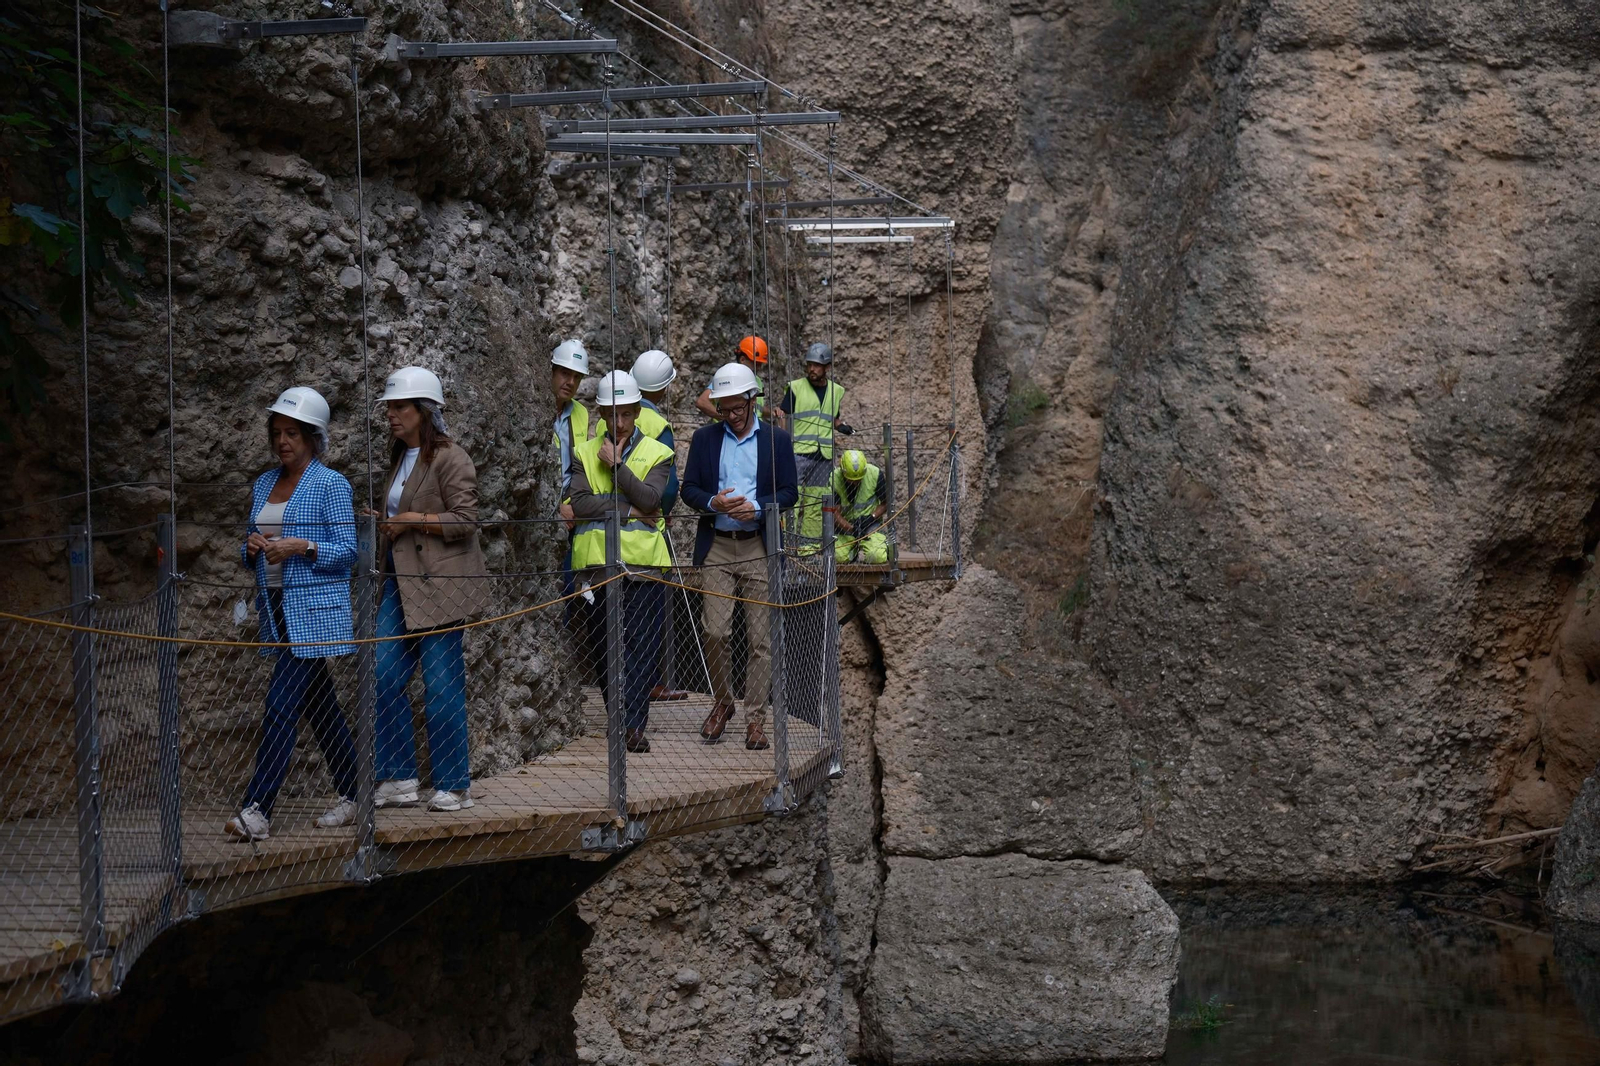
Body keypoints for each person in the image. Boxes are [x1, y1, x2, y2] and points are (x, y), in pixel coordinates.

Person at [227, 386, 360, 842]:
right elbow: (251, 547)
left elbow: (349, 552)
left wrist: (301, 546)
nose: (283, 441)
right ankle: (355, 793)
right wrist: (251, 549)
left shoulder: (331, 484)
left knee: (281, 705)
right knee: (320, 706)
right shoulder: (263, 484)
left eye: (294, 433)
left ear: (313, 437)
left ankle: (258, 809)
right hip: (276, 607)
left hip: (315, 611)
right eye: (278, 433)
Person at [368, 366, 490, 812]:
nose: (391, 414)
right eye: (389, 407)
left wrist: (409, 520)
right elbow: (398, 514)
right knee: (383, 675)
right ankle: (399, 778)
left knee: (441, 685)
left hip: (441, 587)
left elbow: (466, 520)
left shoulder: (450, 457)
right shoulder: (398, 458)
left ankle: (454, 784)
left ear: (423, 410)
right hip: (400, 585)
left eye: (399, 406)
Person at [681, 362, 798, 749]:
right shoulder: (705, 439)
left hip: (757, 544)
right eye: (723, 409)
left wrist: (760, 509)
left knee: (761, 639)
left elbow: (789, 494)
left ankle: (755, 719)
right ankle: (723, 702)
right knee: (715, 631)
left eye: (738, 408)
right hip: (717, 544)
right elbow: (690, 490)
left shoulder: (776, 441)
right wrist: (713, 502)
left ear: (752, 401)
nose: (730, 416)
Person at [568, 370, 676, 753]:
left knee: (641, 647)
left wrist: (617, 467)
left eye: (626, 414)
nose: (618, 422)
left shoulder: (658, 453)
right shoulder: (584, 453)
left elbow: (653, 499)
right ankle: (620, 719)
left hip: (644, 568)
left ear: (636, 413)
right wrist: (627, 510)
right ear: (600, 413)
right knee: (604, 645)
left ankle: (633, 726)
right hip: (599, 567)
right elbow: (579, 505)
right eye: (611, 414)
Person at [606, 348, 688, 701]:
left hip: (605, 538)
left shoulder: (605, 419)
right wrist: (660, 512)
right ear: (665, 388)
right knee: (648, 624)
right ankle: (646, 686)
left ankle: (620, 694)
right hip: (645, 537)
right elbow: (666, 490)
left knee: (613, 627)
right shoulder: (659, 426)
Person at [776, 341, 845, 553]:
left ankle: (808, 548)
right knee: (793, 501)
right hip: (798, 453)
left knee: (816, 503)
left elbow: (832, 418)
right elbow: (782, 415)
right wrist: (784, 443)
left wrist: (842, 426)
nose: (812, 369)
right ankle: (788, 545)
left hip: (823, 456)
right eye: (809, 365)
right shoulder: (796, 387)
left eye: (816, 365)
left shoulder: (836, 391)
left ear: (827, 367)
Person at [831, 449, 888, 563]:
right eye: (851, 481)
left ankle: (882, 546)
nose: (855, 483)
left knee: (876, 557)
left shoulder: (875, 474)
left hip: (870, 525)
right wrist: (851, 528)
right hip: (844, 527)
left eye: (859, 480)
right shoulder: (834, 479)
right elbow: (834, 512)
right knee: (838, 557)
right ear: (843, 472)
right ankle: (853, 552)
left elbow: (885, 503)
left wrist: (871, 517)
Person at [695, 335, 767, 420]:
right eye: (756, 363)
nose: (758, 367)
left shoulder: (757, 380)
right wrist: (726, 418)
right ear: (742, 359)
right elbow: (702, 401)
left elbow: (757, 408)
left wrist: (772, 412)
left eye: (760, 364)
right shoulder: (727, 377)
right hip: (727, 430)